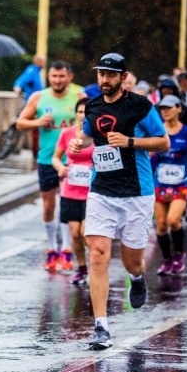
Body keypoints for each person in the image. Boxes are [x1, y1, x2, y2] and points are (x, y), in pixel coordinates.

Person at [69, 53, 169, 350]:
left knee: (132, 260)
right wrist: (78, 141)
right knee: (98, 254)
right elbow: (88, 134)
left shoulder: (140, 106)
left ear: (123, 77)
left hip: (137, 193)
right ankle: (101, 327)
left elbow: (163, 141)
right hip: (102, 190)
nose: (105, 79)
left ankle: (136, 277)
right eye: (101, 74)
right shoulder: (93, 106)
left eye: (111, 75)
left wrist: (130, 142)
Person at [16, 61, 84, 272]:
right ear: (49, 77)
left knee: (67, 205)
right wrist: (37, 123)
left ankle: (66, 249)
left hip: (72, 159)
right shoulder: (39, 97)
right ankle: (52, 248)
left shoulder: (79, 96)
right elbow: (20, 123)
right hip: (47, 159)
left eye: (61, 76)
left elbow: (91, 122)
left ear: (69, 77)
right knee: (48, 205)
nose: (57, 80)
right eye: (54, 76)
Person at [151, 95, 187, 275]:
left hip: (181, 184)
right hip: (159, 183)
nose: (165, 111)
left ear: (179, 109)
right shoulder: (157, 131)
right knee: (161, 224)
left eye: (169, 107)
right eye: (163, 108)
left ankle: (178, 255)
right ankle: (166, 260)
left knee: (173, 220)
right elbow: (150, 156)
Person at [51, 98, 94, 287]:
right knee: (75, 233)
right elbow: (55, 158)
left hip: (92, 193)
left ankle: (96, 268)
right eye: (80, 112)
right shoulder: (67, 133)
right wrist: (61, 168)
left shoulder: (98, 135)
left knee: (86, 234)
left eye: (87, 112)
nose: (83, 115)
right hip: (70, 191)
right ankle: (82, 268)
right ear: (76, 114)